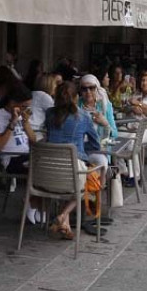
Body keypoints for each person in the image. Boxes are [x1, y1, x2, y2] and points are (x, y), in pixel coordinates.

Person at [44, 82, 105, 240]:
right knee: (87, 184)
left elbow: (51, 135)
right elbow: (96, 144)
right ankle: (63, 215)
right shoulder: (83, 116)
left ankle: (65, 224)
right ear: (76, 97)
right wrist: (80, 147)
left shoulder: (49, 114)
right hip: (72, 169)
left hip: (46, 171)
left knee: (76, 179)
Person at [0, 82, 41, 223]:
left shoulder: (22, 116)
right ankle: (32, 204)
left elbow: (33, 140)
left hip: (26, 154)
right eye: (24, 106)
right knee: (39, 169)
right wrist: (12, 123)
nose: (26, 109)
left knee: (48, 166)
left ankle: (34, 203)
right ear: (13, 102)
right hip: (10, 158)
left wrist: (25, 123)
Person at [78, 74, 118, 140]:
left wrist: (105, 123)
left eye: (91, 88)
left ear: (96, 88)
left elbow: (115, 134)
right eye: (84, 89)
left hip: (100, 146)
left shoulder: (104, 105)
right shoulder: (76, 104)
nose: (88, 92)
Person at [30, 73, 60, 139]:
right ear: (49, 85)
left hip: (29, 129)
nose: (56, 87)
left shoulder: (33, 93)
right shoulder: (44, 96)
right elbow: (57, 114)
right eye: (54, 84)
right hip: (36, 132)